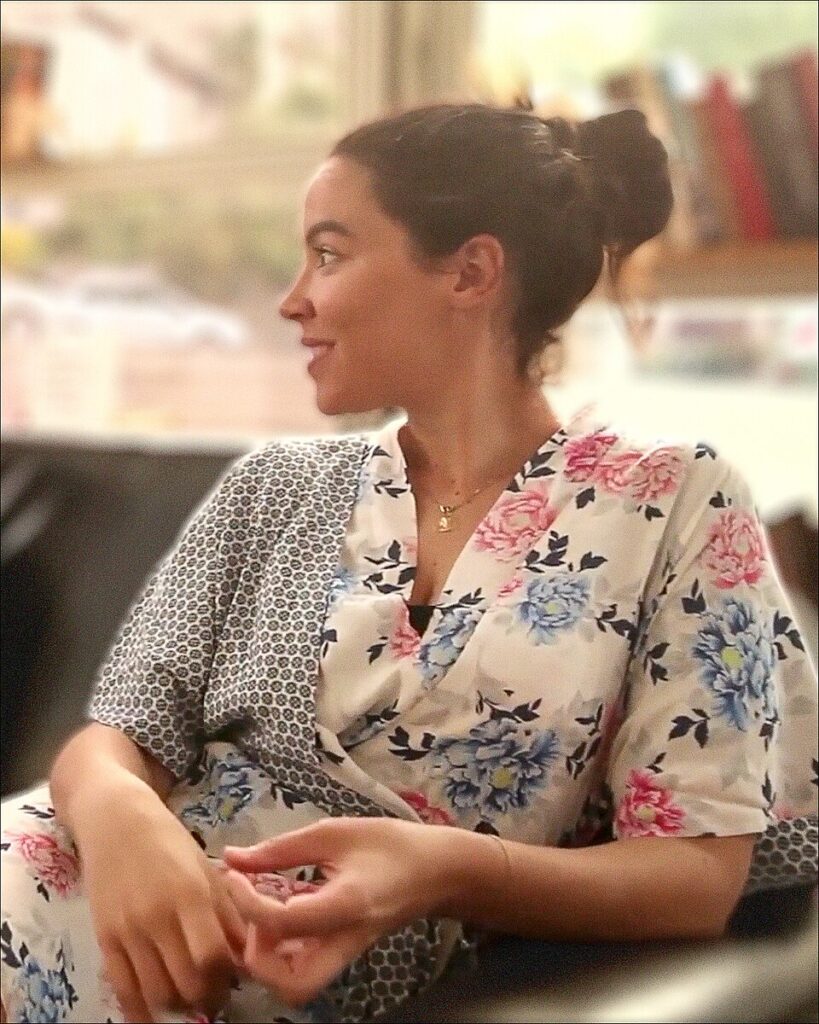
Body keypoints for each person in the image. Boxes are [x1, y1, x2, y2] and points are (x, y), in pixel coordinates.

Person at [1, 103, 816, 1024]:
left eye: (329, 254)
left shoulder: (674, 500)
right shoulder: (273, 485)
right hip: (87, 884)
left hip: (281, 965)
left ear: (470, 272)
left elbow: (699, 878)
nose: (292, 299)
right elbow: (120, 732)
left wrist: (441, 871)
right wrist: (118, 816)